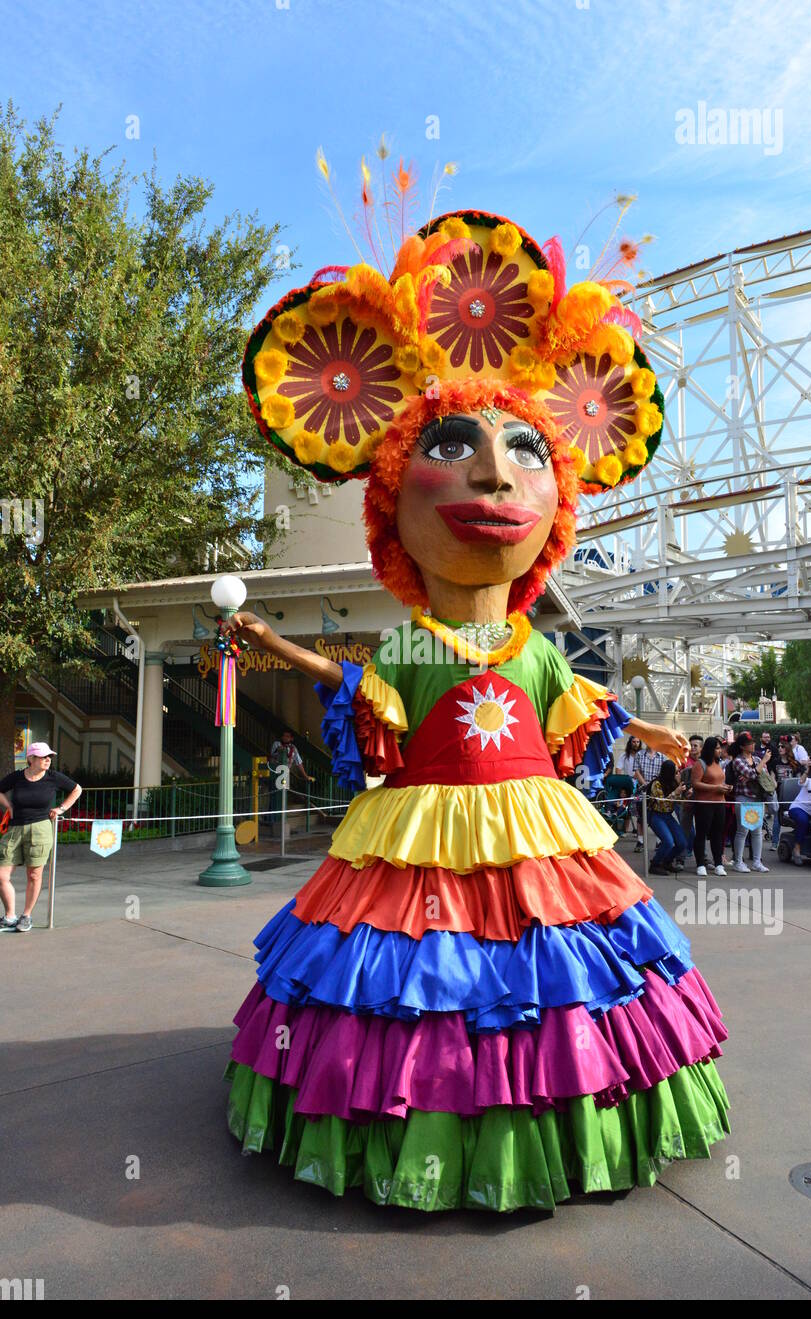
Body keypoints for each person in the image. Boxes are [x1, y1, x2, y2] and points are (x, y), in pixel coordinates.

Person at [221, 200, 729, 1212]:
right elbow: (342, 681)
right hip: (415, 827)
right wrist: (269, 643)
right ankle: (415, 1128)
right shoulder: (411, 645)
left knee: (557, 973)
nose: (496, 472)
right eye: (455, 445)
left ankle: (559, 1122)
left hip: (540, 822)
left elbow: (580, 703)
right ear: (391, 493)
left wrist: (649, 726)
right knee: (414, 979)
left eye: (524, 450)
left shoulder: (535, 649)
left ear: (557, 503)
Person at [0, 743, 82, 933]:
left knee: (34, 875)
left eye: (49, 757)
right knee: (2, 875)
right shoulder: (18, 777)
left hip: (40, 828)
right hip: (14, 829)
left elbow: (77, 789)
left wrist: (61, 808)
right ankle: (10, 915)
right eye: (43, 756)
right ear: (31, 759)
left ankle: (26, 916)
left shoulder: (53, 777)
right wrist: (8, 807)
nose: (48, 759)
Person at [729, 731, 769, 872]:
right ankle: (738, 861)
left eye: (752, 742)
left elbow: (764, 777)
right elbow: (753, 774)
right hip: (744, 798)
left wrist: (754, 774)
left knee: (757, 831)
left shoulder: (756, 759)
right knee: (743, 830)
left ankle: (757, 861)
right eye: (749, 743)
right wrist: (762, 764)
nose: (753, 745)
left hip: (757, 798)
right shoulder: (738, 760)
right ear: (742, 746)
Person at [266, 730, 314, 834]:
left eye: (288, 736)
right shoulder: (277, 744)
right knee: (274, 796)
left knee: (282, 797)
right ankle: (271, 820)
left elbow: (299, 763)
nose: (285, 737)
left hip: (284, 775)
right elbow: (274, 754)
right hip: (275, 774)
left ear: (291, 738)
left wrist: (305, 776)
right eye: (284, 735)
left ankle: (279, 821)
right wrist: (281, 750)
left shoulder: (293, 749)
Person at [691, 737, 727, 877]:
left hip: (720, 803)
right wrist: (716, 787)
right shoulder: (700, 764)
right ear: (711, 749)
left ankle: (718, 864)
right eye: (717, 748)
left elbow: (719, 780)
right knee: (701, 833)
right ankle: (700, 864)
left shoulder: (718, 763)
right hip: (704, 804)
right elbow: (695, 783)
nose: (720, 750)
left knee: (717, 834)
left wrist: (724, 787)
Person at [646, 760, 689, 876]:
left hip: (668, 815)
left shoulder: (673, 783)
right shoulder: (657, 784)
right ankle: (655, 864)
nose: (677, 774)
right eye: (675, 772)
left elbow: (678, 802)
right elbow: (661, 802)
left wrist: (685, 794)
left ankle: (666, 861)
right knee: (668, 842)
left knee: (682, 843)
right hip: (656, 815)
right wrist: (676, 792)